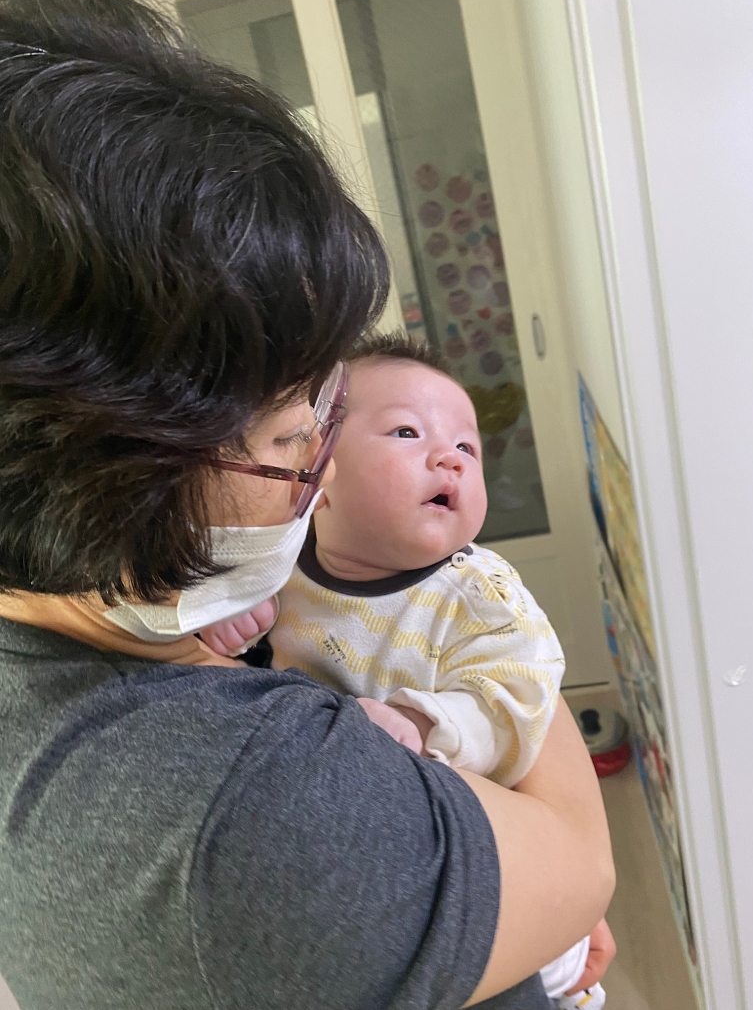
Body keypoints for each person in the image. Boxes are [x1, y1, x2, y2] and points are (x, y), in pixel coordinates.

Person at [0, 0, 615, 1010]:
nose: (317, 460)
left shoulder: (139, 625)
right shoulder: (237, 819)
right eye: (301, 433)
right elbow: (580, 865)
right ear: (121, 483)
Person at [204, 336, 611, 1008]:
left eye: (467, 447)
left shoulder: (480, 596)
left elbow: (516, 696)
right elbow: (242, 639)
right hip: (370, 834)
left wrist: (421, 721)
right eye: (406, 432)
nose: (450, 456)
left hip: (488, 832)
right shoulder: (283, 560)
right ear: (316, 470)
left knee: (560, 968)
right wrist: (228, 622)